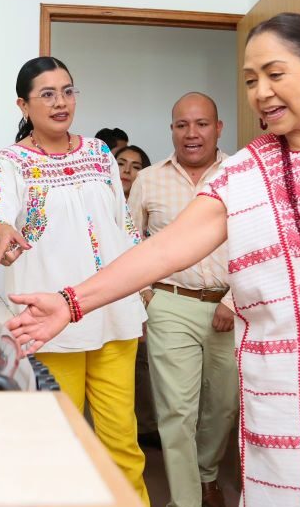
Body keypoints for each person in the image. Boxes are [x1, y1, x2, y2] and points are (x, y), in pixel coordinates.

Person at [6, 14, 300, 507]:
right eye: (250, 81)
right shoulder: (245, 172)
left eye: (275, 74)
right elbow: (163, 249)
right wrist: (71, 302)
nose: (261, 92)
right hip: (292, 407)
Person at [0, 56, 151, 505]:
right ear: (23, 105)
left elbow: (122, 223)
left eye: (68, 91)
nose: (60, 102)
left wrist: (140, 282)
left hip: (110, 313)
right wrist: (1, 233)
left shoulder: (99, 153)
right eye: (47, 94)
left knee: (122, 445)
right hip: (50, 326)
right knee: (57, 443)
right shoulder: (10, 162)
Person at [127, 92, 238, 507]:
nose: (192, 134)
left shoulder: (241, 175)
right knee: (176, 411)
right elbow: (129, 241)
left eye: (201, 124)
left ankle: (207, 473)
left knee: (223, 406)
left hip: (230, 305)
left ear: (218, 127)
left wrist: (235, 299)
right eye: (182, 125)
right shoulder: (148, 180)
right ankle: (187, 499)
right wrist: (146, 296)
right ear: (172, 129)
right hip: (170, 302)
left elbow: (259, 242)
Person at [113, 144, 157, 450]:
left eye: (136, 166)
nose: (127, 171)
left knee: (141, 364)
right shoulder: (101, 201)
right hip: (103, 295)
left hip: (142, 293)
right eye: (122, 163)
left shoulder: (150, 207)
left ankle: (145, 427)